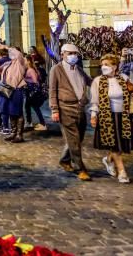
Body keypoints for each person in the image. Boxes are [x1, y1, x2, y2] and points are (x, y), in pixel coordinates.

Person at [90, 54, 133, 184]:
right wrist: (94, 115)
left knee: (120, 145)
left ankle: (108, 159)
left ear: (115, 67)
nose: (104, 67)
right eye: (102, 64)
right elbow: (95, 101)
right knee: (116, 146)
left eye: (107, 64)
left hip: (123, 116)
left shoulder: (123, 78)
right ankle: (122, 172)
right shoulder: (98, 81)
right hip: (107, 116)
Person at [49, 43, 92, 181]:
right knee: (73, 140)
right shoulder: (56, 69)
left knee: (78, 138)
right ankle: (81, 169)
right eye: (70, 53)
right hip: (65, 108)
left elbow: (90, 82)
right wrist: (55, 109)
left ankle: (65, 160)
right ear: (63, 54)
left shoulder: (79, 69)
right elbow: (52, 91)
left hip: (80, 108)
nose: (73, 56)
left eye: (75, 54)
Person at [1, 48, 28, 143]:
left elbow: (19, 54)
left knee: (18, 112)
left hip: (17, 90)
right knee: (11, 111)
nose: (10, 53)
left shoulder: (20, 62)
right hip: (8, 90)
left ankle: (19, 135)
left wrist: (7, 47)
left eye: (12, 52)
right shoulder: (9, 63)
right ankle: (13, 132)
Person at [24, 56, 48, 131]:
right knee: (28, 106)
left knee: (35, 107)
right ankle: (30, 122)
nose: (23, 62)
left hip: (32, 92)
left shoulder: (30, 70)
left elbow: (36, 81)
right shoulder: (29, 69)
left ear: (28, 61)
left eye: (24, 60)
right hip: (30, 91)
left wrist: (27, 83)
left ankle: (43, 124)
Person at [0, 48, 12, 134]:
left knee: (3, 106)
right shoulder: (12, 61)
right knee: (10, 106)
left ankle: (5, 127)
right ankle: (12, 127)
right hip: (12, 86)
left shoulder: (0, 62)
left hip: (3, 86)